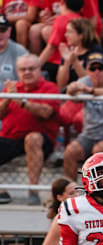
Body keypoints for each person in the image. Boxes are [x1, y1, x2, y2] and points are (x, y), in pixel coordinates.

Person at [0, 54, 60, 206]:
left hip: (41, 140)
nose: (27, 72)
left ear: (40, 70)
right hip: (12, 138)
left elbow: (46, 112)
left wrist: (22, 102)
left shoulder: (50, 88)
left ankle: (33, 190)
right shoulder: (13, 88)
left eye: (31, 69)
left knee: (32, 138)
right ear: (17, 72)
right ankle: (1, 191)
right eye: (23, 69)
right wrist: (7, 98)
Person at [64, 52, 103, 180]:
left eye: (101, 68)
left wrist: (90, 91)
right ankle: (72, 191)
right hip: (90, 135)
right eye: (92, 69)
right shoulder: (84, 81)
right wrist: (71, 89)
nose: (97, 72)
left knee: (99, 151)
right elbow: (72, 93)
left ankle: (100, 194)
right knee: (70, 152)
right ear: (87, 71)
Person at [37, 0, 84, 83]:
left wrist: (36, 66)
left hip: (58, 64)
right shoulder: (82, 20)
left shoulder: (62, 19)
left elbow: (51, 47)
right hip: (78, 65)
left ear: (62, 3)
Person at [0, 14, 28, 83]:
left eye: (2, 30)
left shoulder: (20, 52)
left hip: (12, 93)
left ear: (9, 31)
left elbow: (28, 82)